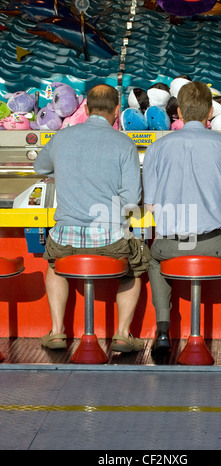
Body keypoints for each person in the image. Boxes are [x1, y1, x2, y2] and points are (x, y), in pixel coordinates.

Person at [34, 84, 150, 352]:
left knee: (54, 264)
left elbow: (40, 166)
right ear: (117, 110)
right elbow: (132, 199)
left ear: (86, 109)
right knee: (134, 267)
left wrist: (65, 172)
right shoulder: (124, 143)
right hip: (110, 239)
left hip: (65, 238)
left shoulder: (62, 137)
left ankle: (58, 332)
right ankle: (122, 335)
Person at [143, 81, 221, 358]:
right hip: (214, 244)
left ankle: (163, 332)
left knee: (155, 259)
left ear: (178, 111)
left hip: (170, 244)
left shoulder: (157, 147)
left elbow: (152, 207)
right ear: (211, 111)